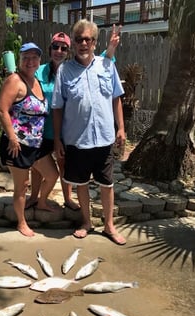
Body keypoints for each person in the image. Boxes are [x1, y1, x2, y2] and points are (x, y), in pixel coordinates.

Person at [28, 26, 122, 212]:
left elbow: (100, 62)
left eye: (64, 48)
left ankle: (68, 199)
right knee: (37, 167)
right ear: (50, 49)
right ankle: (34, 198)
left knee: (64, 166)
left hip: (65, 130)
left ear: (68, 51)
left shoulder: (72, 69)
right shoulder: (40, 72)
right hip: (41, 130)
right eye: (56, 46)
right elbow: (25, 81)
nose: (59, 51)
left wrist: (111, 48)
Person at [52, 20, 127, 245]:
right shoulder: (64, 70)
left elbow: (116, 98)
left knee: (107, 184)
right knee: (81, 184)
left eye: (88, 39)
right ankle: (86, 222)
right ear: (74, 43)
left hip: (104, 139)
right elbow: (57, 108)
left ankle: (109, 226)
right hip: (77, 140)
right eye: (79, 39)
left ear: (95, 42)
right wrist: (57, 139)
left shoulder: (107, 65)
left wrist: (121, 128)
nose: (83, 43)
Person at [0, 42, 59, 237]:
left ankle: (41, 202)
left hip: (36, 145)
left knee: (52, 175)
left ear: (40, 60)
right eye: (26, 58)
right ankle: (21, 222)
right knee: (22, 187)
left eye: (34, 57)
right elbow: (2, 110)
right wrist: (13, 138)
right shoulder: (14, 81)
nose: (30, 61)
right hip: (18, 146)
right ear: (20, 60)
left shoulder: (36, 81)